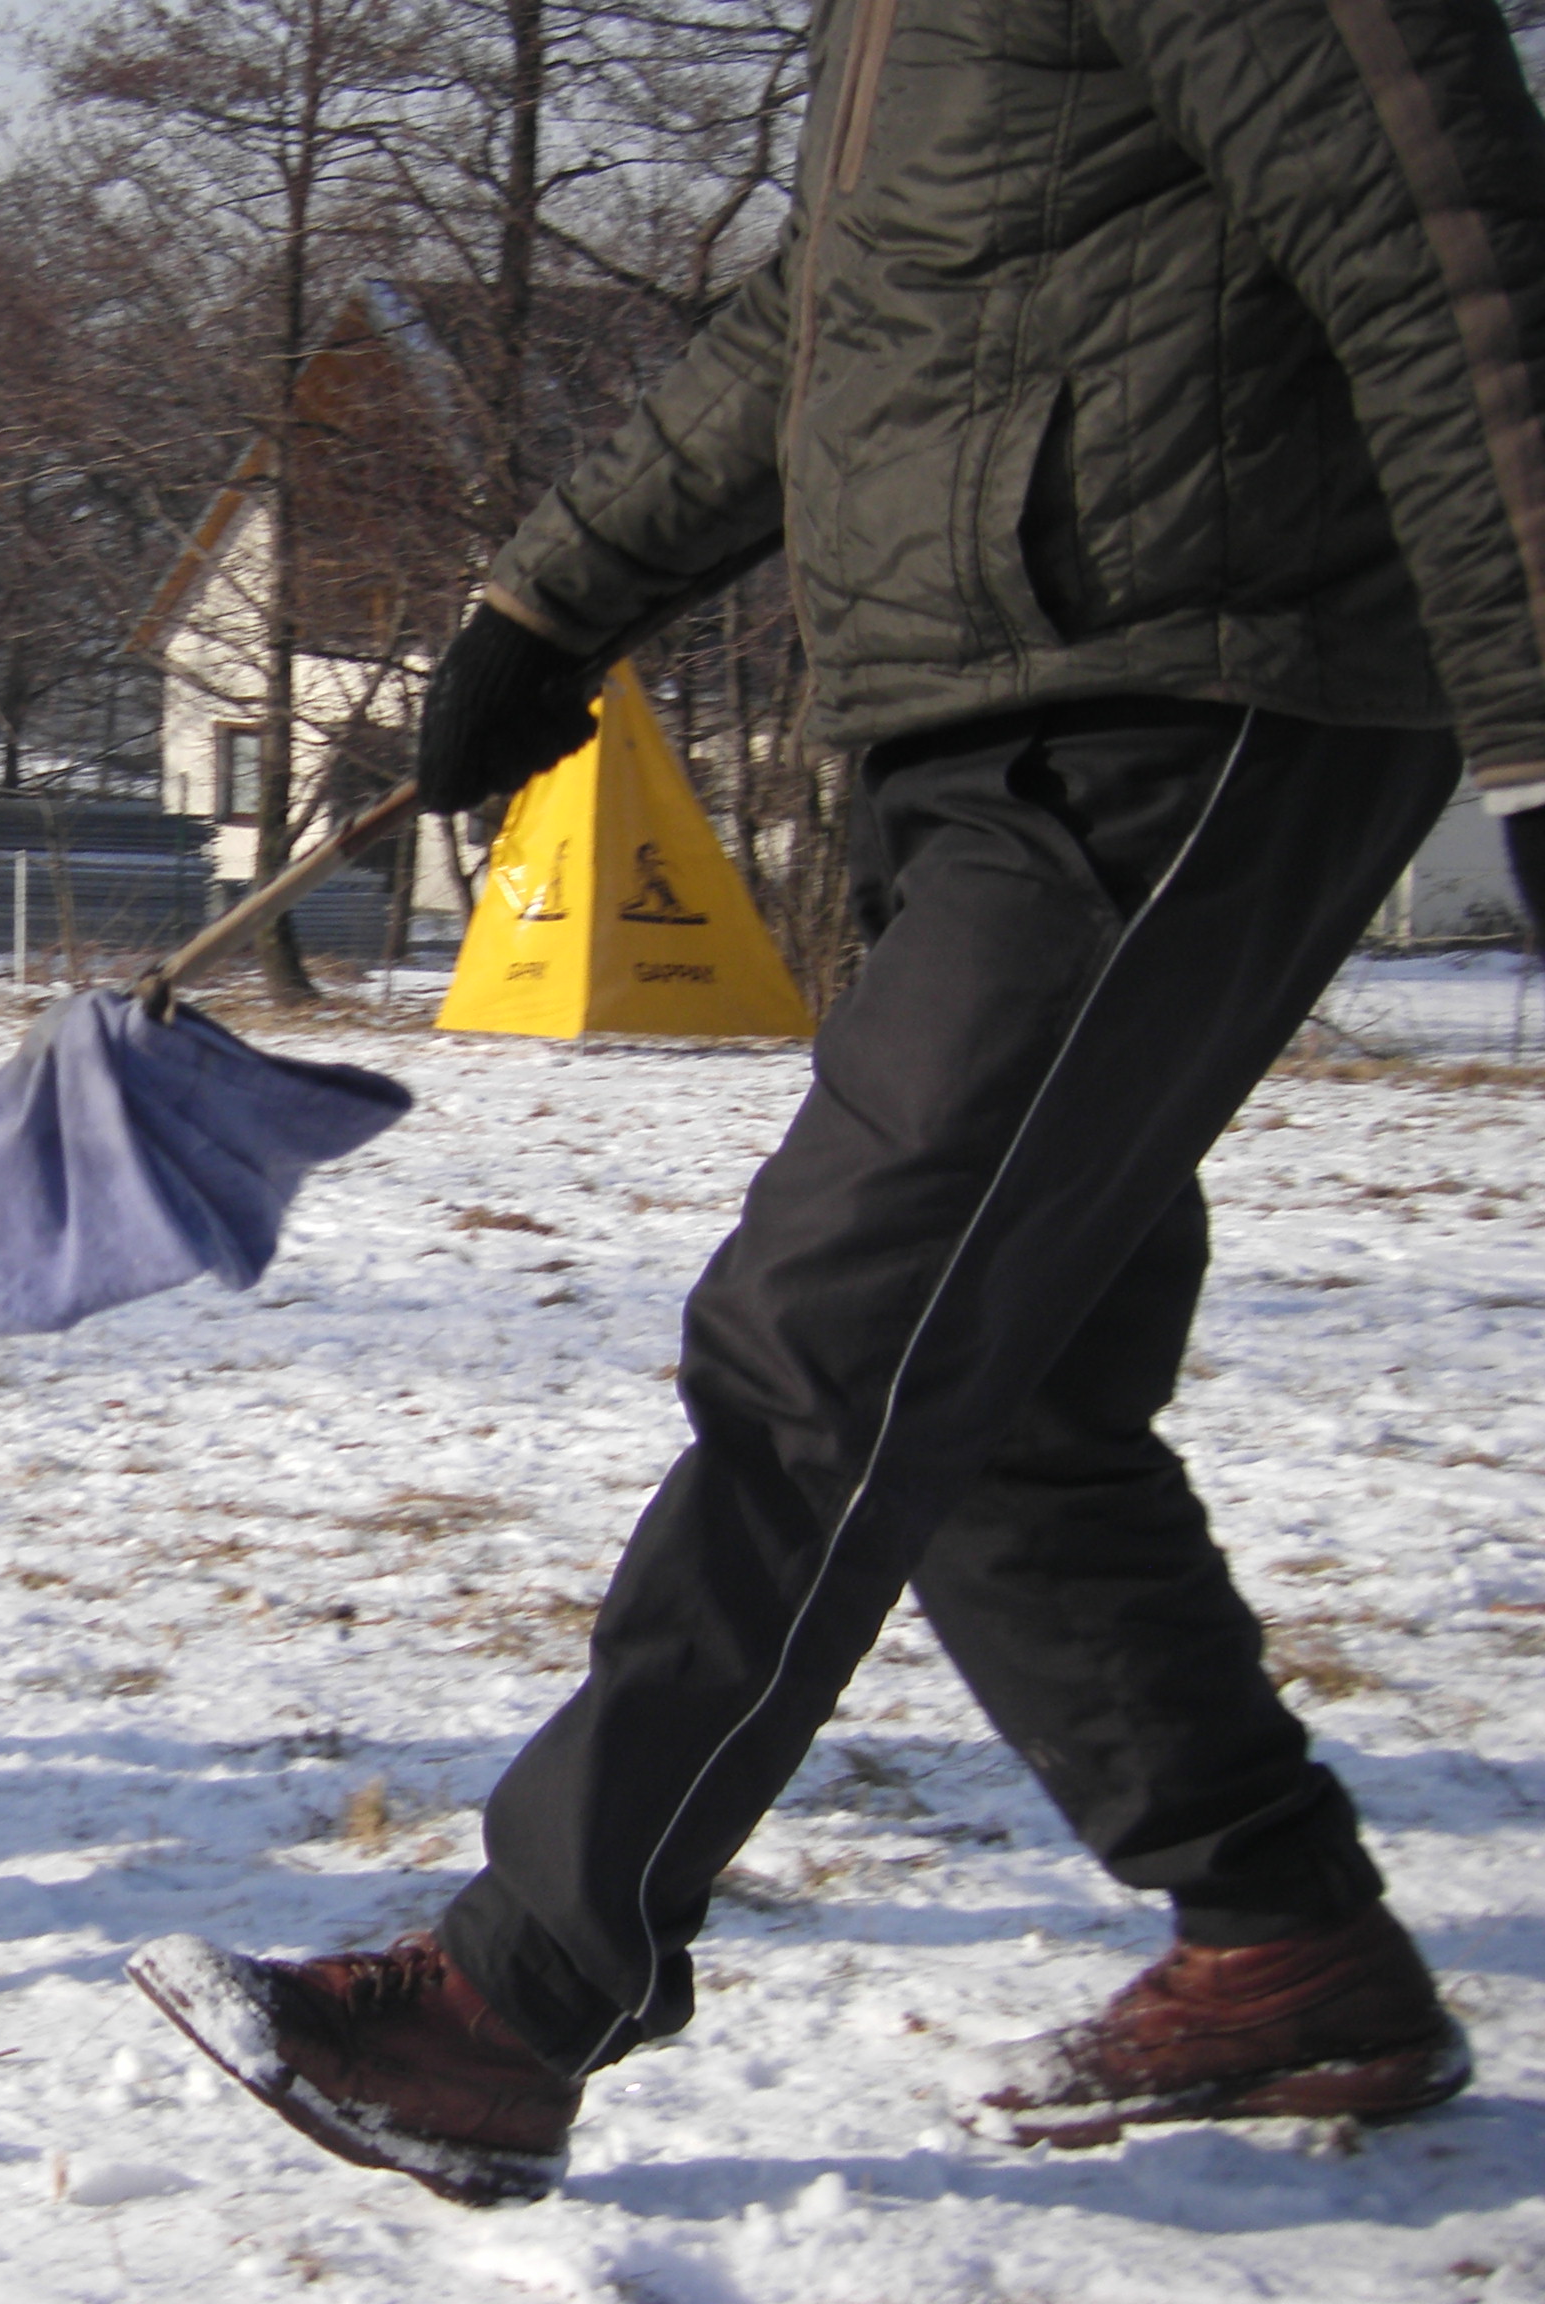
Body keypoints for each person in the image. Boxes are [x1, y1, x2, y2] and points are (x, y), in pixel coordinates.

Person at [130, 0, 1545, 2206]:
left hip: (1190, 683)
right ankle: (1290, 1951)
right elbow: (842, 303)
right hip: (977, 703)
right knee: (1010, 1400)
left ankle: (519, 1998)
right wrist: (550, 591)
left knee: (837, 1337)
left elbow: (1450, 244)